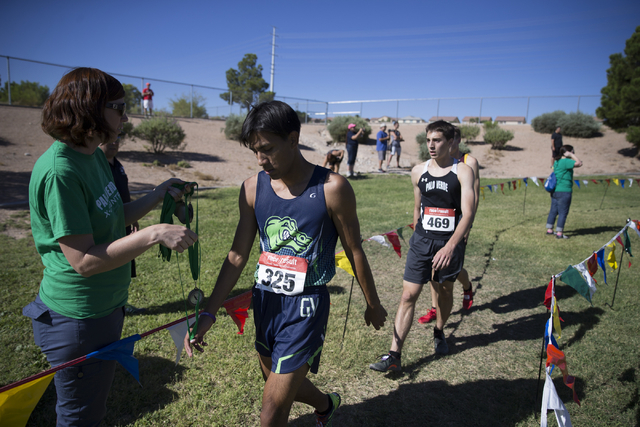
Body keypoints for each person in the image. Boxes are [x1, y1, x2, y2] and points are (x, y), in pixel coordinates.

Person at [184, 101, 387, 426]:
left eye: (268, 149)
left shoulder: (332, 188)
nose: (262, 160)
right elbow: (237, 256)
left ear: (294, 139)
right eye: (255, 151)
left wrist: (372, 303)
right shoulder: (252, 188)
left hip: (306, 307)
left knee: (272, 409)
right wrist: (209, 312)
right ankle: (325, 405)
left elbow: (354, 250)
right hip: (265, 303)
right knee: (275, 380)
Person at [23, 67, 198, 426]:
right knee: (80, 418)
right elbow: (84, 261)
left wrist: (158, 193)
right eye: (119, 105)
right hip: (78, 317)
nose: (126, 114)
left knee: (91, 412)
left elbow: (113, 213)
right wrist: (153, 234)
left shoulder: (91, 156)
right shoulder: (61, 171)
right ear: (91, 108)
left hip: (103, 309)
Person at [370, 120, 474, 372]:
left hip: (448, 244)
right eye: (428, 140)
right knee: (408, 295)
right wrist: (418, 238)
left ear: (450, 143)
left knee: (444, 292)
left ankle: (439, 331)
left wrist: (450, 246)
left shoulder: (463, 171)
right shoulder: (418, 171)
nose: (431, 145)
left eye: (437, 140)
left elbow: (468, 213)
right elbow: (417, 208)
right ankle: (394, 355)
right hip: (422, 243)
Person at [419, 126, 480, 323]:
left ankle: (467, 286)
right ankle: (435, 307)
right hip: (436, 227)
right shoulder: (435, 162)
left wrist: (467, 227)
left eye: (451, 140)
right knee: (433, 268)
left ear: (456, 141)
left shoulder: (468, 162)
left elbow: (474, 196)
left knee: (453, 269)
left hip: (459, 222)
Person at [99, 138, 145, 315]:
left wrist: (134, 216)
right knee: (112, 260)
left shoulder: (118, 165)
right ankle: (113, 303)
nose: (113, 143)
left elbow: (123, 193)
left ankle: (122, 301)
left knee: (126, 262)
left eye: (116, 140)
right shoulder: (98, 166)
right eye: (108, 140)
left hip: (124, 217)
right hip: (109, 222)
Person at [546, 145, 583, 239]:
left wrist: (570, 155)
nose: (574, 153)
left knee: (553, 210)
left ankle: (549, 229)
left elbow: (576, 165)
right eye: (572, 151)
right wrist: (571, 155)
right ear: (568, 152)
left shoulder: (557, 162)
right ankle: (559, 233)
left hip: (555, 191)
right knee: (563, 212)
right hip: (564, 191)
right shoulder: (566, 161)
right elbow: (579, 163)